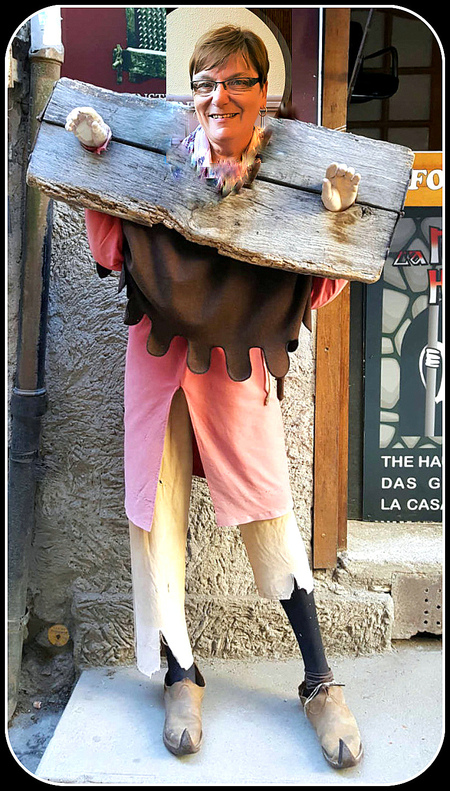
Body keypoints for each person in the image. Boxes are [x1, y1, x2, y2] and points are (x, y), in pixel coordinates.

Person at [65, 25, 363, 769]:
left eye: (236, 82)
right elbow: (111, 252)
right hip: (160, 358)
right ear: (189, 95)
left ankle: (320, 680)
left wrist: (330, 218)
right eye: (204, 83)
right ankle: (180, 673)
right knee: (155, 510)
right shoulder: (163, 155)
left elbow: (317, 285)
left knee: (270, 510)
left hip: (236, 367)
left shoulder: (277, 164)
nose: (219, 97)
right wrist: (100, 165)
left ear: (264, 94)